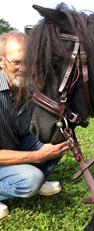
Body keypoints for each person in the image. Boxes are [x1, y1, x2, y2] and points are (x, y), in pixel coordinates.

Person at [0, 31, 69, 219]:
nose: (24, 68)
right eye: (16, 62)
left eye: (28, 61)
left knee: (60, 136)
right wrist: (38, 156)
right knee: (31, 179)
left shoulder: (30, 87)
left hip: (15, 144)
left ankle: (39, 177)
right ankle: (34, 177)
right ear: (1, 61)